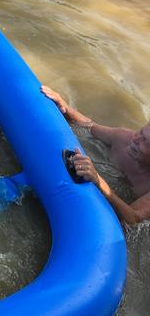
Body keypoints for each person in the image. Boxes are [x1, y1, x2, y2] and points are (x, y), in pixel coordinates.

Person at [41, 85, 150, 224]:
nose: (136, 139)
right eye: (140, 132)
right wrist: (65, 106)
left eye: (145, 141)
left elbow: (133, 219)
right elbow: (89, 126)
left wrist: (98, 180)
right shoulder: (123, 138)